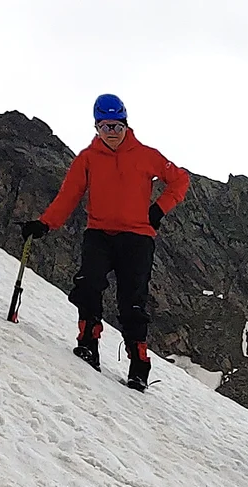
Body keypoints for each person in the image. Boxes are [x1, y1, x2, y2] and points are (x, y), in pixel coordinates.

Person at [21, 93, 189, 391]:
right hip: (98, 232)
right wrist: (45, 223)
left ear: (126, 124)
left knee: (132, 301)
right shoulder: (87, 159)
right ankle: (88, 343)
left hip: (137, 238)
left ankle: (139, 366)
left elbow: (179, 180)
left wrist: (158, 209)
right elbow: (69, 194)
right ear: (96, 127)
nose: (111, 133)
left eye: (116, 126)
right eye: (105, 126)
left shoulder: (147, 155)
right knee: (88, 284)